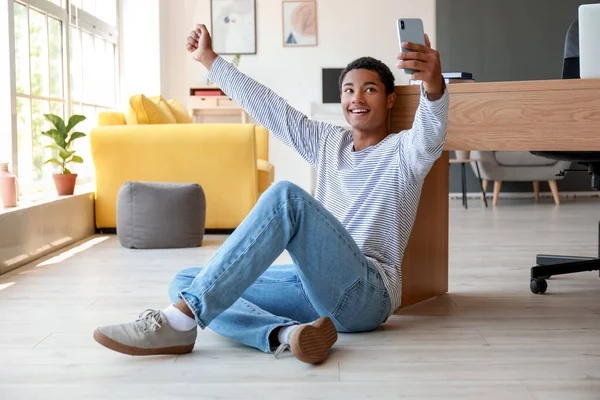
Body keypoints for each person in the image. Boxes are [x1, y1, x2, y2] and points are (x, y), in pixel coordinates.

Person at [93, 23, 449, 365]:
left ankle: (178, 324)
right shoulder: (329, 143)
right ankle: (285, 335)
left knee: (285, 198)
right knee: (187, 282)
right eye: (349, 90)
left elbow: (431, 126)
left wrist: (432, 83)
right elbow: (271, 109)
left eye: (369, 89)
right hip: (310, 289)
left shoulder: (406, 151)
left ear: (389, 100)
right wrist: (209, 60)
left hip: (366, 294)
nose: (357, 98)